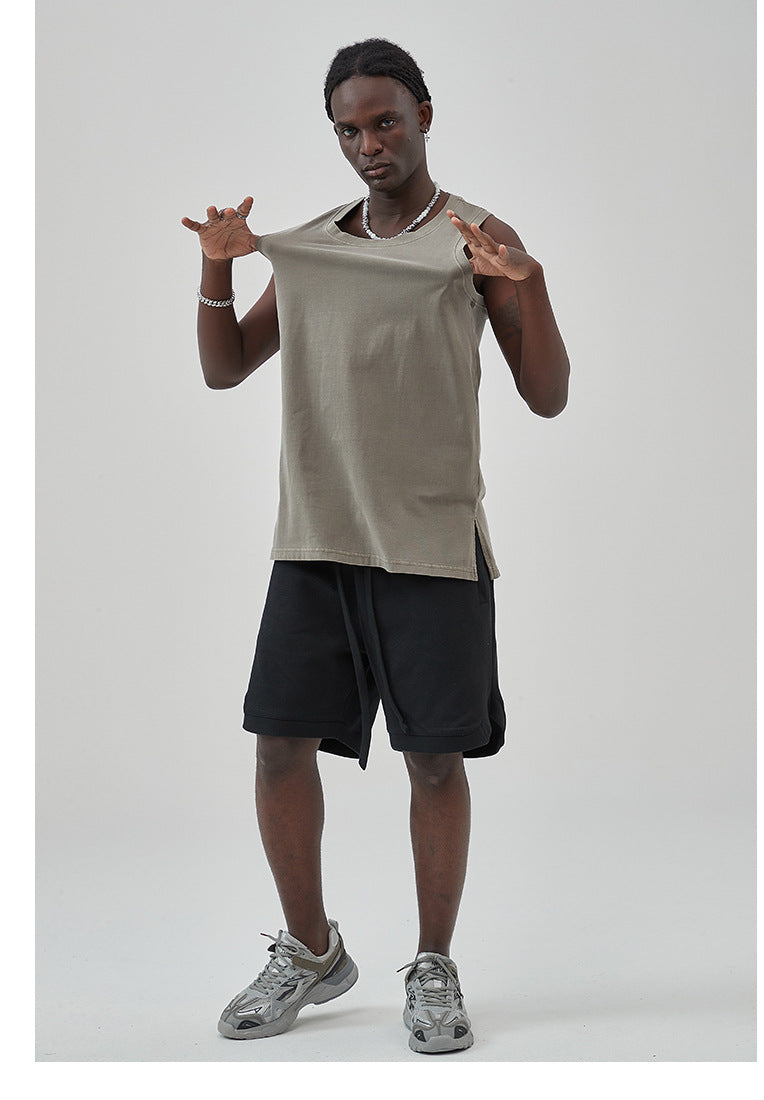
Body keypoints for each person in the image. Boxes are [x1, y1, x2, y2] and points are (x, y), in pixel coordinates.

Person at [181, 37, 570, 1056]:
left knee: (433, 759)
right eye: (348, 130)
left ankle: (433, 963)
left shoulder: (476, 237)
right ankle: (312, 952)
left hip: (431, 541)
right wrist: (216, 268)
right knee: (277, 742)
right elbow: (227, 366)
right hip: (317, 536)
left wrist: (527, 285)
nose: (368, 145)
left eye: (385, 121)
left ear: (424, 115)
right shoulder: (314, 248)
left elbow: (547, 395)